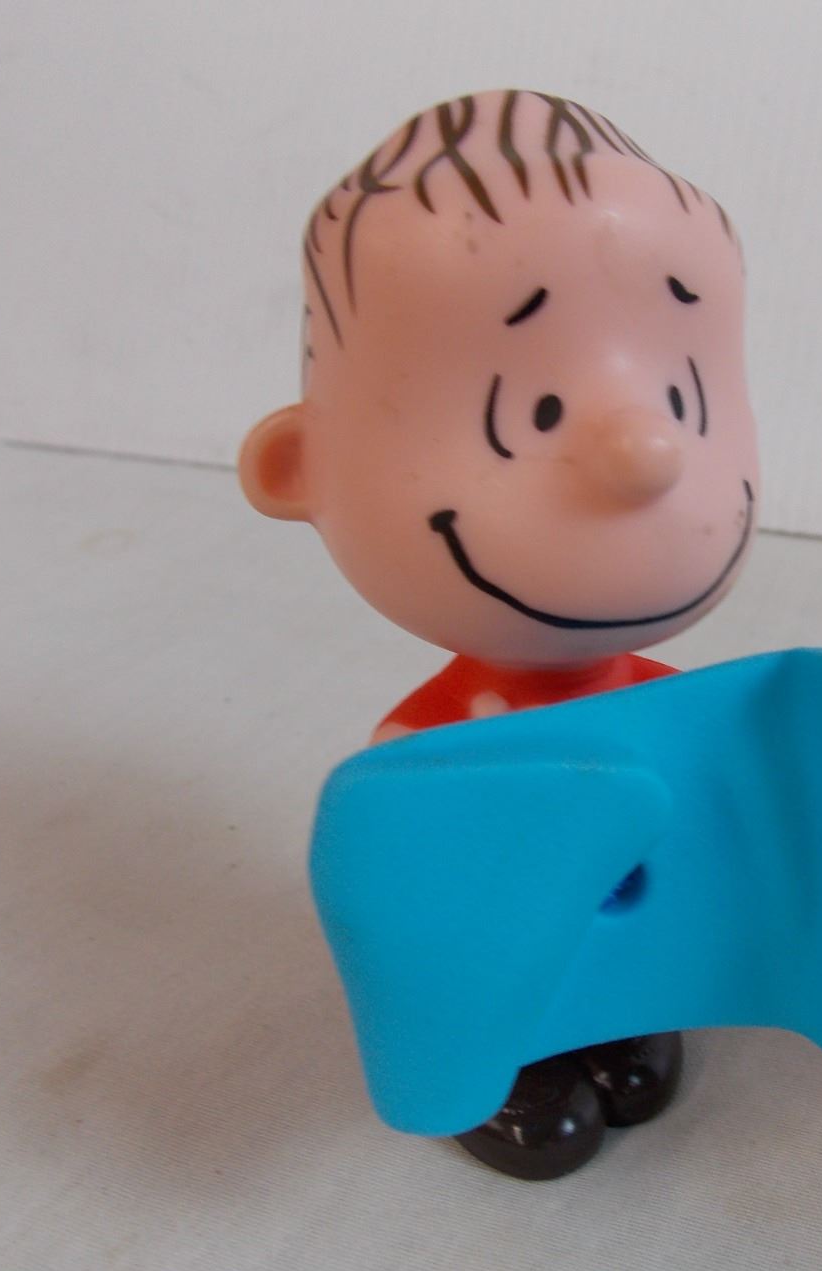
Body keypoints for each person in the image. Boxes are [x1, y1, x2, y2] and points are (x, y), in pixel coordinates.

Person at [237, 90, 761, 1178]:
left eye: (685, 397)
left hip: (636, 958)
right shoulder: (427, 752)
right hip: (498, 983)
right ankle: (516, 1063)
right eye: (533, 416)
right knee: (501, 981)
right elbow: (419, 892)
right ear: (302, 466)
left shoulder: (671, 702)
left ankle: (617, 1019)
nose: (648, 456)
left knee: (632, 1020)